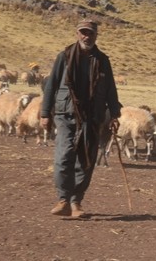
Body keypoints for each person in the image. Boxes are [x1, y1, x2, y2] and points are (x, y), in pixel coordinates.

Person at [39, 19, 122, 218]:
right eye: (83, 32)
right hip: (66, 113)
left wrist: (115, 114)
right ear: (77, 34)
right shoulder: (65, 56)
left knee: (86, 159)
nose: (87, 36)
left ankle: (76, 202)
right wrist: (44, 113)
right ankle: (63, 199)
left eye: (90, 33)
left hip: (93, 116)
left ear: (96, 35)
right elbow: (52, 86)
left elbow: (111, 88)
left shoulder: (103, 60)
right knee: (63, 155)